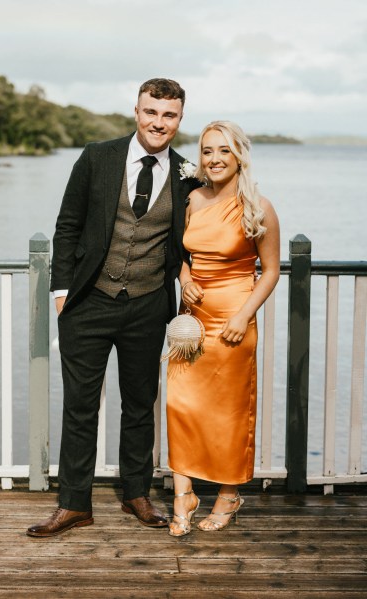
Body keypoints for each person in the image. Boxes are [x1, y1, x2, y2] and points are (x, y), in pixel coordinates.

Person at [27, 78, 201, 538]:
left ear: (180, 120)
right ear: (137, 111)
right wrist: (61, 293)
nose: (158, 122)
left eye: (169, 115)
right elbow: (67, 226)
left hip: (147, 306)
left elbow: (194, 239)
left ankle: (136, 494)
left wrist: (185, 275)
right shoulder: (96, 157)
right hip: (88, 302)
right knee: (80, 406)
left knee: (140, 404)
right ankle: (73, 504)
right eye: (151, 112)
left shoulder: (189, 174)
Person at [166, 121, 280, 537]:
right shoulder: (193, 199)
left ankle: (229, 494)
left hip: (234, 318)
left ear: (239, 157)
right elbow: (178, 252)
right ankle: (184, 495)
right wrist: (184, 277)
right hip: (191, 321)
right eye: (208, 151)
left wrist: (243, 315)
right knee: (181, 405)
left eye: (223, 151)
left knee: (229, 413)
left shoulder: (259, 207)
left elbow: (269, 272)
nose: (214, 159)